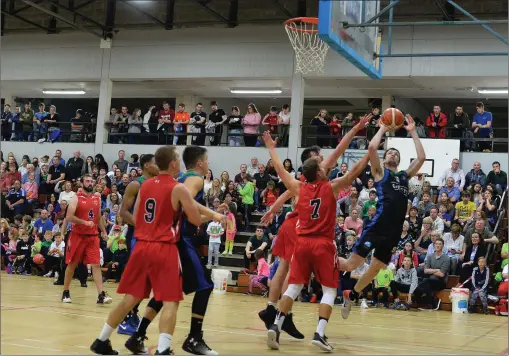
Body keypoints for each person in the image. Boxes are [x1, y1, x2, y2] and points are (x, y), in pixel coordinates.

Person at [262, 130, 370, 352]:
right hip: (322, 244)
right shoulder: (329, 187)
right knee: (330, 290)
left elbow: (281, 171)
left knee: (293, 287)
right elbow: (354, 172)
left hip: (302, 243)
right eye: (322, 166)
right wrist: (371, 151)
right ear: (320, 173)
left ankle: (276, 324)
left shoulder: (299, 188)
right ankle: (319, 334)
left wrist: (272, 148)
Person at [90, 146, 204, 355]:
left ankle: (101, 340)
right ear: (172, 163)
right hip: (163, 247)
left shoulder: (145, 186)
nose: (179, 163)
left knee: (130, 299)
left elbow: (137, 216)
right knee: (171, 300)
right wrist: (211, 215)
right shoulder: (178, 188)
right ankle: (163, 349)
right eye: (177, 159)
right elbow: (195, 219)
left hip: (141, 245)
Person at [125, 146, 225, 356]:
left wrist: (213, 214)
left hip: (177, 237)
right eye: (207, 161)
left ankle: (138, 336)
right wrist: (215, 216)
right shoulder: (195, 179)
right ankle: (194, 338)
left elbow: (186, 212)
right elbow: (186, 200)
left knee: (166, 292)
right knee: (205, 286)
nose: (208, 164)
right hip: (182, 240)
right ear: (200, 163)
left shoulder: (181, 178)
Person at [339, 115, 426, 319]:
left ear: (399, 159)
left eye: (396, 153)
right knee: (351, 265)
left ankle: (351, 295)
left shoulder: (404, 176)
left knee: (377, 267)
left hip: (394, 231)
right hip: (377, 226)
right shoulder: (379, 173)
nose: (393, 154)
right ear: (385, 158)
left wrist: (413, 131)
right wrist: (382, 129)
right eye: (390, 152)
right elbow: (371, 149)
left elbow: (421, 158)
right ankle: (319, 260)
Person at [115, 153, 159, 336]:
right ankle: (126, 317)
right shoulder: (136, 184)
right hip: (138, 236)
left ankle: (131, 313)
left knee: (150, 281)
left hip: (155, 238)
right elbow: (123, 212)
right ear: (147, 165)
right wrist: (141, 226)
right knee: (140, 279)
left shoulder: (159, 183)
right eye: (156, 162)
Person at [61, 174, 112, 304]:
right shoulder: (76, 198)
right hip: (78, 236)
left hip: (93, 237)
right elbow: (69, 216)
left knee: (95, 264)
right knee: (72, 264)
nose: (90, 183)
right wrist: (84, 222)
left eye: (91, 181)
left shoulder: (97, 198)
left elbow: (98, 217)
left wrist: (104, 231)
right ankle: (66, 291)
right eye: (87, 181)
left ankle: (101, 294)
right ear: (82, 183)